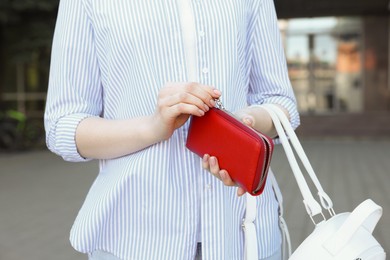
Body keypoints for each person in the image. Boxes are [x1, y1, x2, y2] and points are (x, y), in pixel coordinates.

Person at [44, 0, 300, 259]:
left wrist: (241, 126)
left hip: (244, 234)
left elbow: (281, 103)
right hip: (135, 237)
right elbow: (62, 125)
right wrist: (153, 127)